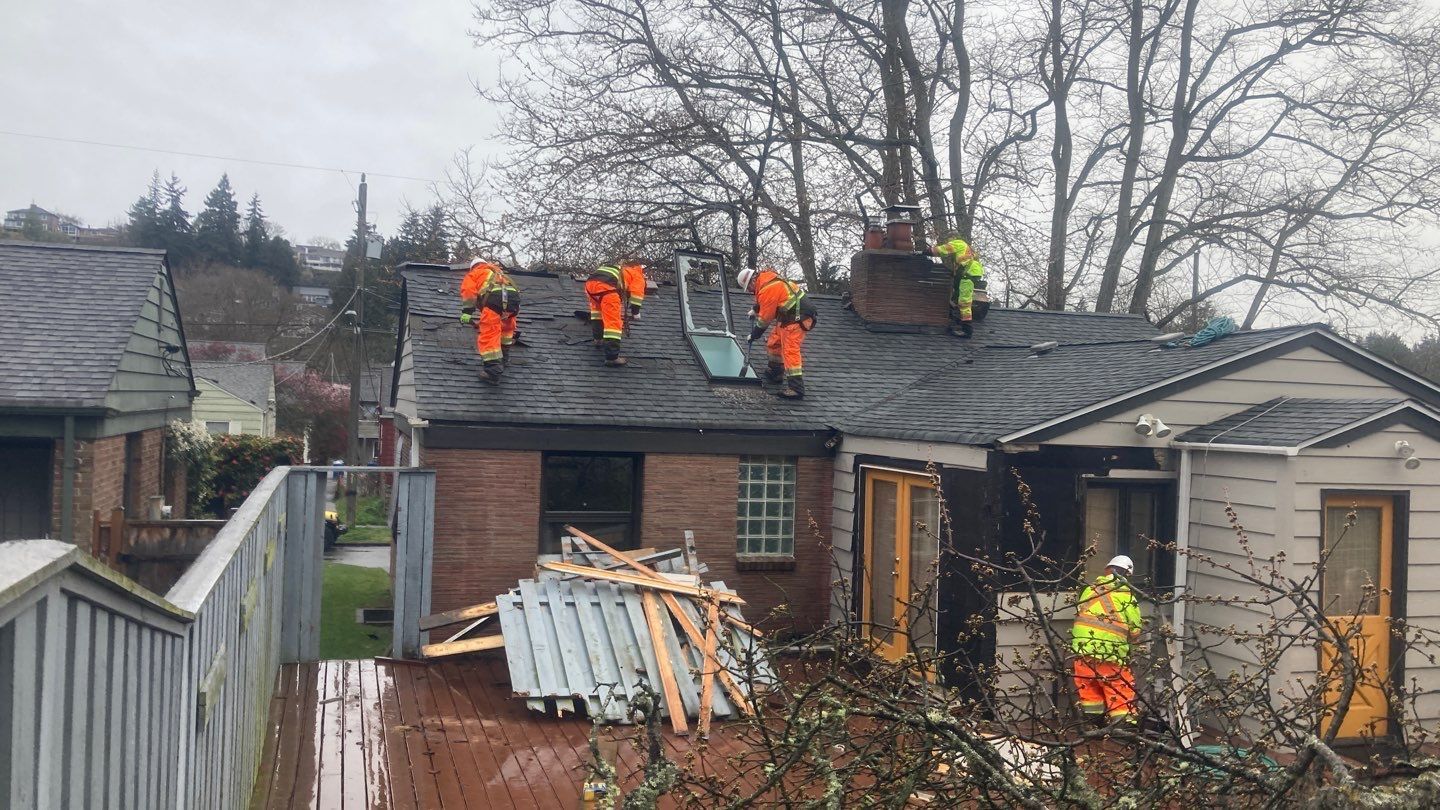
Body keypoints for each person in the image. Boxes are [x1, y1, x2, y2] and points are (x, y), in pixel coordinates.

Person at [1071, 555, 1144, 725]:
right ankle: (1124, 729)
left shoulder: (1089, 591)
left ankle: (1093, 726)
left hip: (1083, 652)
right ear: (1127, 574)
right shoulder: (1127, 597)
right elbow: (1135, 631)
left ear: (1107, 571)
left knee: (1089, 691)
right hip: (1110, 654)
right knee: (1119, 690)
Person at [738, 266, 817, 399]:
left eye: (749, 288)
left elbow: (765, 319)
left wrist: (754, 335)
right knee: (774, 342)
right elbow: (769, 301)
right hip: (788, 317)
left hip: (798, 318)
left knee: (790, 350)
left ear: (752, 281)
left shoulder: (767, 288)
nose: (750, 291)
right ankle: (776, 372)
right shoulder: (767, 281)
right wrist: (755, 309)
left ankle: (796, 389)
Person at [459, 258, 520, 383]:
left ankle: (493, 372)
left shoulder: (474, 273)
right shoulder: (498, 272)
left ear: (473, 267)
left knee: (489, 333)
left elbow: (469, 292)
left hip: (494, 300)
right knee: (507, 328)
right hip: (514, 301)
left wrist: (467, 312)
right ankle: (504, 358)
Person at [585, 260, 647, 366]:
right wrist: (635, 313)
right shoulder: (637, 275)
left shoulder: (620, 269)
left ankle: (598, 339)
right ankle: (612, 357)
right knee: (613, 323)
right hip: (607, 289)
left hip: (590, 286)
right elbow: (637, 295)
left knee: (597, 313)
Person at [931, 233, 985, 338]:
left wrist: (924, 252)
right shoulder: (966, 249)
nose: (948, 242)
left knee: (964, 302)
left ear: (953, 238)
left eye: (949, 239)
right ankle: (957, 319)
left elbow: (942, 250)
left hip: (967, 275)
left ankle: (967, 330)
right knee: (956, 298)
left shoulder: (958, 243)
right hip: (968, 274)